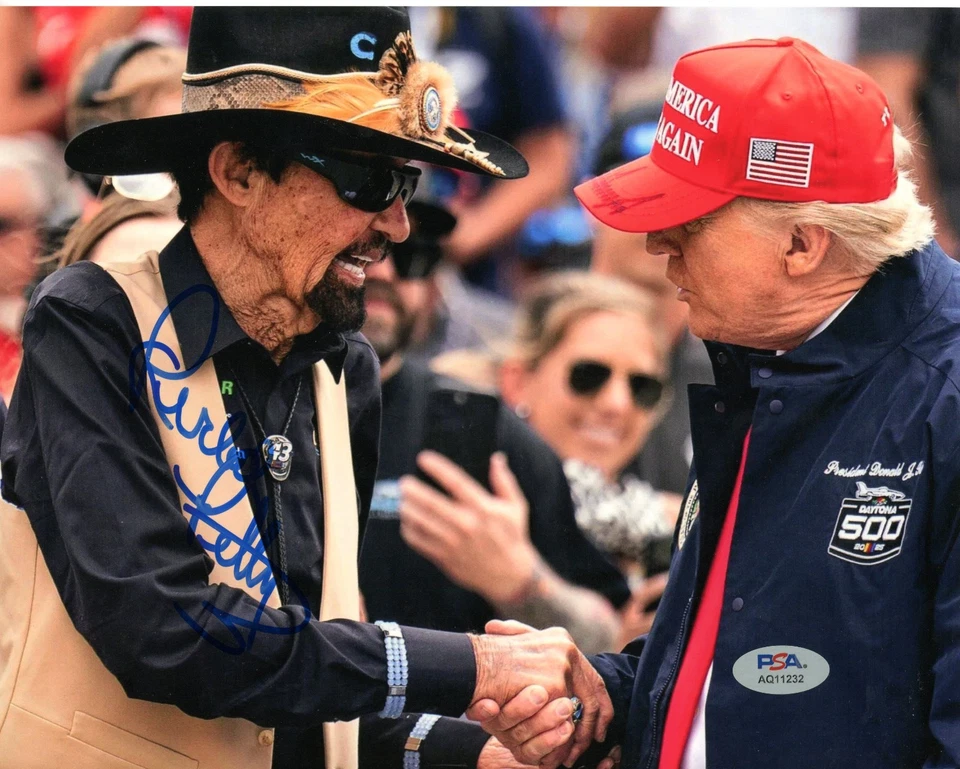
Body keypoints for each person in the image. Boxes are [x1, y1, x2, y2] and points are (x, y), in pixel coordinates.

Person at [0, 9, 610, 769]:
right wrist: (469, 668)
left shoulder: (342, 370)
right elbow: (162, 629)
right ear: (239, 172)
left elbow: (300, 681)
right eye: (367, 178)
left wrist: (474, 751)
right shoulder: (92, 321)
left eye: (408, 183)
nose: (395, 223)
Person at [479, 36, 960, 769]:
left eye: (691, 219)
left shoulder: (942, 392)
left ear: (803, 245)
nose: (657, 243)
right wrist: (611, 695)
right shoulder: (769, 349)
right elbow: (747, 663)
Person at [357, 197, 631, 655]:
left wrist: (519, 581)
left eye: (412, 254)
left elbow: (610, 633)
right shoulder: (243, 402)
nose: (385, 272)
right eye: (365, 247)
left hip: (455, 720)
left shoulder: (482, 426)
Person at [499, 272, 680, 570]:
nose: (617, 404)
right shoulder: (472, 503)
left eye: (642, 386)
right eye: (589, 375)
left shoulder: (682, 539)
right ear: (518, 382)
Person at [589, 100, 715, 496]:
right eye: (642, 198)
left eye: (685, 206)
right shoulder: (525, 350)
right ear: (594, 206)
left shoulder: (734, 382)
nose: (661, 230)